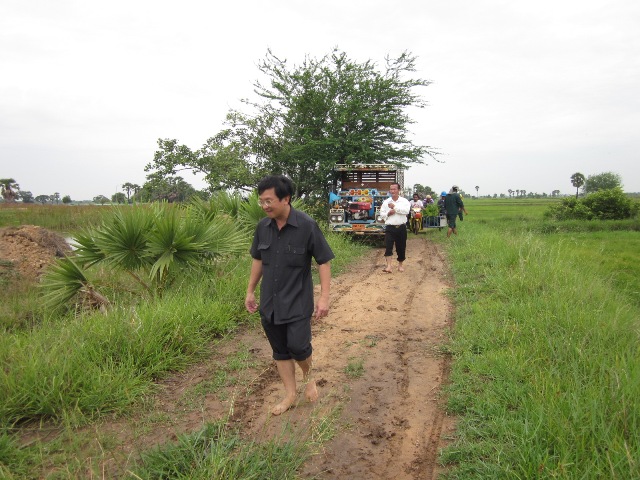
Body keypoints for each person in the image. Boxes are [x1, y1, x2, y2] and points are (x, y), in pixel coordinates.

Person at [245, 175, 335, 415]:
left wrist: (324, 297)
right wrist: (250, 291)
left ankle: (309, 376)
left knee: (298, 346)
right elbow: (258, 260)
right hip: (270, 303)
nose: (264, 206)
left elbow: (324, 261)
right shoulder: (262, 228)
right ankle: (290, 395)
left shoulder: (306, 225)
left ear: (286, 199)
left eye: (269, 201)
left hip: (297, 301)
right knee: (280, 350)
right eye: (261, 201)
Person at [380, 182, 410, 273]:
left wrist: (395, 207)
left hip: (401, 227)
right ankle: (389, 266)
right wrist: (388, 213)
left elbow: (406, 211)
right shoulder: (386, 202)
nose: (392, 191)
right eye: (391, 189)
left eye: (394, 189)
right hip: (390, 227)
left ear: (398, 190)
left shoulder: (404, 201)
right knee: (388, 246)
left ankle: (400, 265)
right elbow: (382, 214)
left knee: (401, 247)